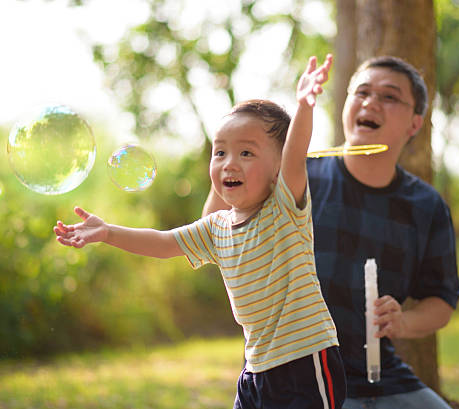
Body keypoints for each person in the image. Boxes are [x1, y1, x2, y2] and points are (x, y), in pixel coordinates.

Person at [53, 54, 347, 409]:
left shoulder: (284, 207)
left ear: (277, 168)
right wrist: (108, 232)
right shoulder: (216, 227)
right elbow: (163, 243)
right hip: (256, 367)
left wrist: (304, 105)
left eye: (246, 153)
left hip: (303, 361)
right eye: (219, 152)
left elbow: (295, 151)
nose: (228, 163)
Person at [203, 55, 459, 409]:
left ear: (414, 124)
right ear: (347, 105)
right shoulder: (296, 182)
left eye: (389, 96)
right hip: (302, 378)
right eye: (362, 92)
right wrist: (232, 161)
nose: (371, 102)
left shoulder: (427, 205)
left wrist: (403, 322)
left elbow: (441, 301)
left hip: (382, 377)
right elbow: (219, 230)